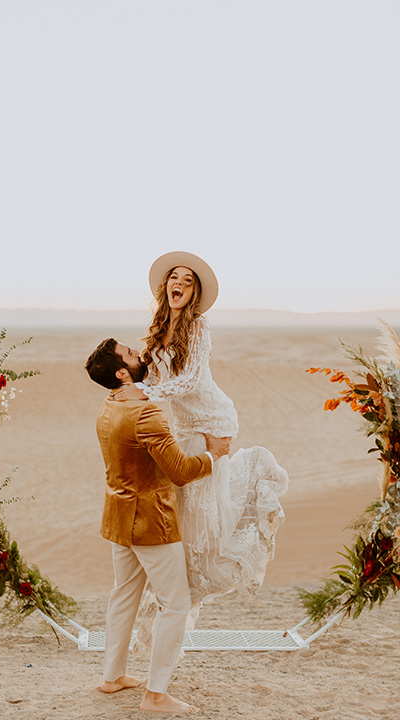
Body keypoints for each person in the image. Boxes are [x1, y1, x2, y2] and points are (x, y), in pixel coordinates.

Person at [114, 251, 289, 633]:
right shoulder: (158, 328)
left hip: (212, 421)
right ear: (166, 287)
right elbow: (154, 381)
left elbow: (190, 381)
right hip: (183, 425)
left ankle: (180, 604)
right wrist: (126, 387)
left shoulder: (198, 326)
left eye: (188, 280)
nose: (179, 283)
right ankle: (173, 604)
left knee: (197, 521)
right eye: (174, 278)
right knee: (185, 514)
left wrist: (142, 392)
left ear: (193, 294)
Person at [85, 337, 230, 715]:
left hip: (117, 517)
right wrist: (214, 455)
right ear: (122, 373)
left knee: (124, 595)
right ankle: (155, 695)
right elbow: (180, 472)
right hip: (150, 522)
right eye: (131, 355)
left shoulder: (107, 407)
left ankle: (112, 676)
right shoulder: (146, 415)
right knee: (176, 604)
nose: (139, 355)